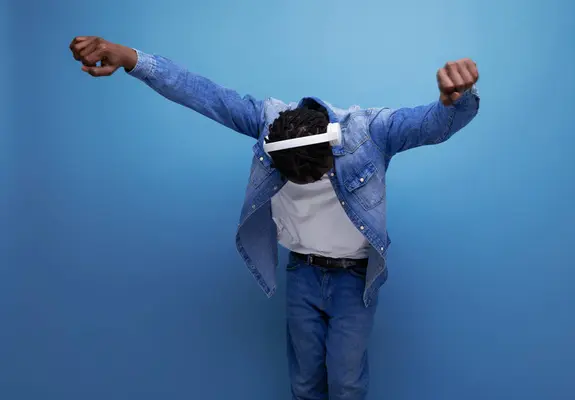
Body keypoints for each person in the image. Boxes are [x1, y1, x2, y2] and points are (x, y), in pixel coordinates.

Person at [69, 36, 480, 400]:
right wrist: (131, 59)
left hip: (354, 281)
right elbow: (202, 94)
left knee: (346, 383)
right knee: (304, 384)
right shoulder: (267, 122)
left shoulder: (371, 132)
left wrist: (455, 101)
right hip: (302, 273)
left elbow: (430, 125)